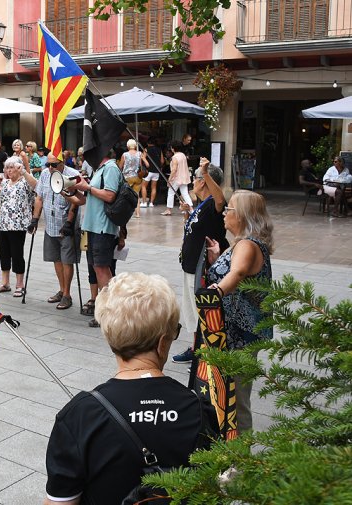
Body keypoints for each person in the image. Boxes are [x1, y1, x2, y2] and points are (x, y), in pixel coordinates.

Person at [44, 272, 219, 505]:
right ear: (162, 342)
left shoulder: (79, 415)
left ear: (110, 337)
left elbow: (61, 501)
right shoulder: (197, 408)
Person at [205, 190, 274, 432]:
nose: (224, 212)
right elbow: (235, 272)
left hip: (238, 336)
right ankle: (232, 453)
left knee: (236, 400)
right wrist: (216, 260)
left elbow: (238, 273)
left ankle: (240, 462)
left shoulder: (247, 244)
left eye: (230, 208)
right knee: (228, 395)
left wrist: (216, 293)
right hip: (232, 333)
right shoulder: (242, 243)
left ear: (242, 215)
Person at [171, 159, 229, 364]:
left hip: (202, 268)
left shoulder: (214, 203)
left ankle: (204, 353)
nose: (193, 182)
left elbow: (221, 199)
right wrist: (187, 212)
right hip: (190, 265)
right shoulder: (202, 205)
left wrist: (205, 172)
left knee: (202, 310)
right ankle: (197, 348)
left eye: (196, 178)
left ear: (203, 181)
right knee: (192, 311)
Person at [30, 153, 85, 309]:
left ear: (62, 163)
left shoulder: (73, 175)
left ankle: (67, 295)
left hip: (66, 225)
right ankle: (61, 290)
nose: (50, 168)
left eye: (54, 165)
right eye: (48, 164)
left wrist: (69, 222)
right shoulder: (45, 174)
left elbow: (77, 201)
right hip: (51, 224)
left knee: (67, 260)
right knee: (56, 258)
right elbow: (39, 197)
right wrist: (35, 219)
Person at [74, 149, 122, 327]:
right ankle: (107, 309)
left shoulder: (110, 168)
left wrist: (88, 187)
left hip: (103, 227)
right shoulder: (99, 169)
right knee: (98, 268)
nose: (84, 158)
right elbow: (88, 199)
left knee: (102, 269)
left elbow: (110, 195)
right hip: (93, 226)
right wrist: (75, 190)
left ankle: (110, 312)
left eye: (86, 154)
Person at [0, 156, 38, 298]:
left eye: (12, 167)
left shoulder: (25, 182)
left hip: (19, 225)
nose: (9, 170)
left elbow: (36, 186)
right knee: (4, 254)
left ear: (18, 168)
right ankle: (5, 283)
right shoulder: (3, 183)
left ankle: (20, 284)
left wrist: (24, 172)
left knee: (17, 254)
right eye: (7, 168)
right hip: (4, 224)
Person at [118, 139, 147, 219]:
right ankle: (138, 214)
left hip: (127, 177)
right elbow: (140, 166)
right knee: (136, 196)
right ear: (135, 146)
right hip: (137, 177)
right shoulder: (139, 154)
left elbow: (120, 167)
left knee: (125, 195)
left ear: (127, 146)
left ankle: (124, 212)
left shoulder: (124, 155)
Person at [161, 141, 192, 216]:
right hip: (184, 177)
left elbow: (174, 170)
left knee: (171, 193)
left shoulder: (174, 157)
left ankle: (168, 210)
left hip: (176, 178)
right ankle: (191, 208)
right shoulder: (183, 155)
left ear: (173, 148)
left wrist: (169, 179)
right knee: (185, 193)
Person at [141, 138, 164, 208]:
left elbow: (143, 157)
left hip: (148, 171)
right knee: (153, 187)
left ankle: (144, 203)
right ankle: (151, 203)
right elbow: (162, 161)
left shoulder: (146, 149)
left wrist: (147, 163)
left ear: (148, 143)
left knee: (143, 186)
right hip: (156, 171)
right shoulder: (159, 150)